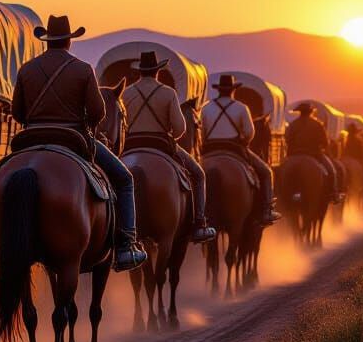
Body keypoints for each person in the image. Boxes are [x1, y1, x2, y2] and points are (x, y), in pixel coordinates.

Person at [0, 15, 147, 273]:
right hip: (72, 138)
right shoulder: (83, 69)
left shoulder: (27, 69)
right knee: (123, 178)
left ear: (46, 42)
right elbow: (98, 113)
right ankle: (126, 245)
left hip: (30, 140)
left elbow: (18, 112)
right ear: (69, 41)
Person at [122, 50, 216, 243]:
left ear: (139, 72)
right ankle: (199, 223)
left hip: (129, 146)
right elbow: (180, 129)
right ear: (158, 71)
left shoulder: (127, 93)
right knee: (198, 175)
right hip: (161, 144)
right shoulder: (168, 93)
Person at [201, 74, 280, 225]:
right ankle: (267, 210)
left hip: (209, 149)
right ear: (233, 90)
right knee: (266, 172)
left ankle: (193, 216)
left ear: (218, 90)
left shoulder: (206, 108)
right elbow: (250, 133)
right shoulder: (241, 108)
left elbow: (202, 133)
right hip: (235, 148)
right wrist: (243, 142)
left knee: (194, 176)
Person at [285, 102, 345, 204]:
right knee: (332, 171)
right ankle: (333, 194)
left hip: (293, 155)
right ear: (311, 112)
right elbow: (324, 142)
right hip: (314, 154)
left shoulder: (293, 124)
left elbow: (287, 139)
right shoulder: (317, 124)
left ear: (300, 112)